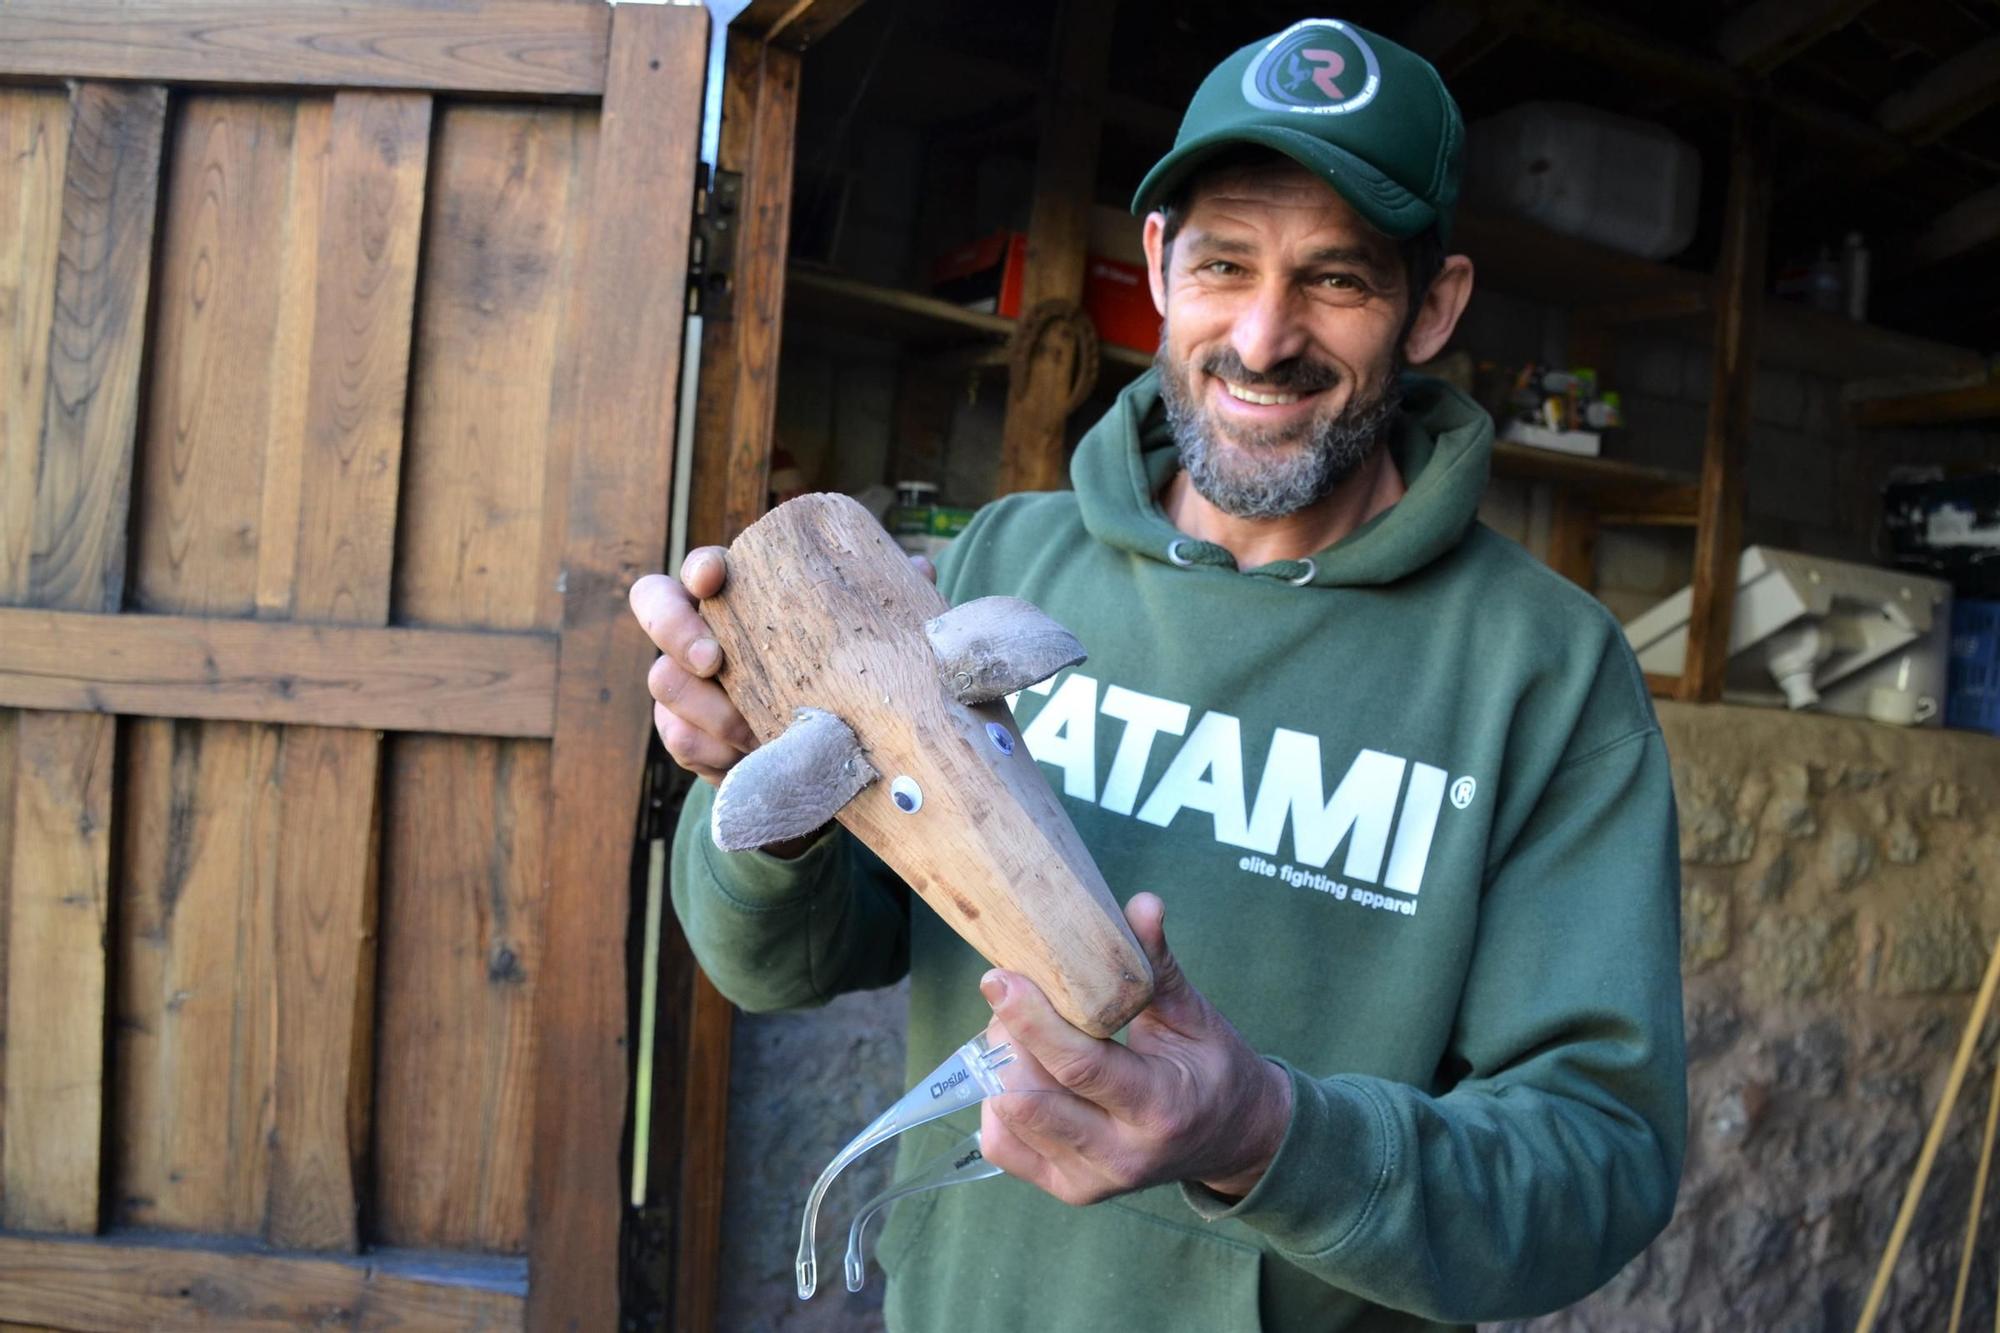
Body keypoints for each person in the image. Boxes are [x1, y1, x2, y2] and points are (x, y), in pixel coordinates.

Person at [631, 17, 1684, 1331]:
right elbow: (788, 958)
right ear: (1155, 265)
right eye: (1224, 265)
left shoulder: (1546, 671)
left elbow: (1599, 1163)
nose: (1262, 335)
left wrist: (1269, 1137)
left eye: (1338, 280)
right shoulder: (1010, 558)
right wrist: (756, 796)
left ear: (1435, 307)